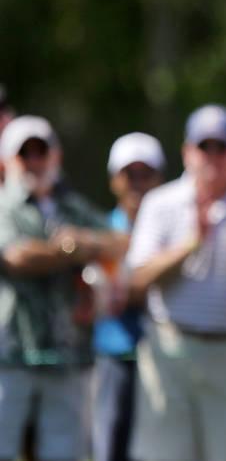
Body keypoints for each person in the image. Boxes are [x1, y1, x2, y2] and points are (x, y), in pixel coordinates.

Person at [125, 104, 226, 461]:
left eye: (221, 147)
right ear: (186, 152)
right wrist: (190, 244)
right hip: (168, 350)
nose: (213, 157)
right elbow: (136, 279)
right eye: (203, 147)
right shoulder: (160, 203)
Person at [0, 115, 128, 461]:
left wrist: (83, 241)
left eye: (41, 151)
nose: (34, 160)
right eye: (24, 153)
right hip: (10, 356)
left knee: (62, 453)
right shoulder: (4, 205)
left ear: (55, 155)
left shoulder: (72, 206)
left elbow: (120, 242)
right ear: (8, 159)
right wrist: (69, 250)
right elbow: (15, 257)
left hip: (68, 357)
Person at [92, 132, 166, 461]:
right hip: (116, 356)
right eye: (129, 174)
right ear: (113, 180)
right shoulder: (99, 230)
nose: (137, 182)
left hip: (166, 359)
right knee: (112, 447)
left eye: (145, 173)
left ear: (159, 178)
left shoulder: (172, 229)